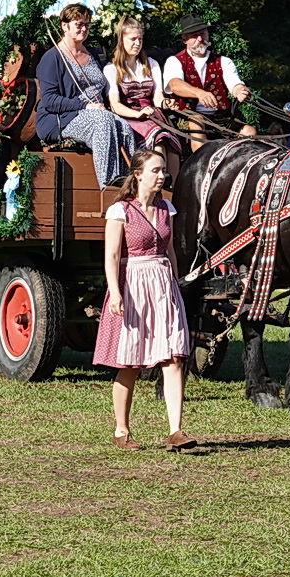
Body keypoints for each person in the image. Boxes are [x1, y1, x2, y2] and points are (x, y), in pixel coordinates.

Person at [93, 149, 198, 451]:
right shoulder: (120, 211)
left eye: (164, 170)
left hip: (163, 283)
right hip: (133, 283)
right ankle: (121, 430)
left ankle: (176, 431)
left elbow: (171, 251)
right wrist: (115, 292)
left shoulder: (167, 209)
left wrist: (176, 285)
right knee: (130, 362)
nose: (162, 175)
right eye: (156, 170)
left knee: (174, 357)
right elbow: (112, 255)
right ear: (138, 174)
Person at [34, 3, 137, 188]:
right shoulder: (52, 58)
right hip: (61, 119)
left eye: (87, 25)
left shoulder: (93, 54)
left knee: (125, 127)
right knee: (103, 122)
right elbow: (49, 101)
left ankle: (131, 183)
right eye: (78, 24)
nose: (84, 29)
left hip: (96, 112)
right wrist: (84, 106)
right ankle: (109, 185)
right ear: (64, 26)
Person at [103, 15, 185, 180]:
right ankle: (154, 192)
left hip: (152, 114)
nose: (137, 43)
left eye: (140, 39)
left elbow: (157, 98)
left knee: (173, 147)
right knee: (159, 143)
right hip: (129, 117)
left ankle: (174, 195)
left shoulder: (151, 64)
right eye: (132, 39)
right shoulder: (112, 69)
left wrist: (166, 103)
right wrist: (137, 114)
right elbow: (115, 106)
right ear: (121, 40)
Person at [162, 14, 257, 137]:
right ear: (184, 39)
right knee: (197, 121)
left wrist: (239, 90)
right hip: (187, 117)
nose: (200, 39)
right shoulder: (174, 61)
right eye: (194, 36)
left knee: (249, 132)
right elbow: (175, 85)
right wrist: (199, 93)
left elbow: (234, 83)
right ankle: (200, 156)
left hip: (221, 118)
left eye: (202, 34)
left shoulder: (223, 61)